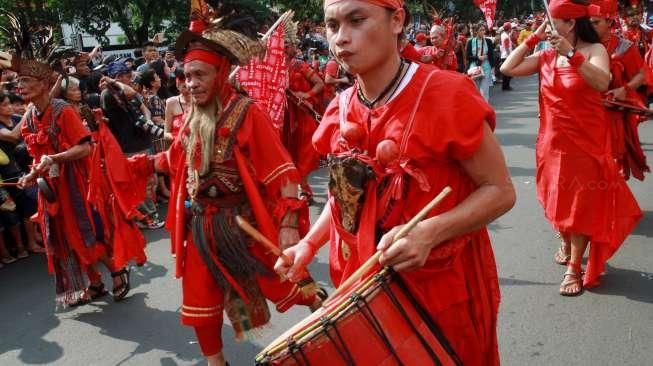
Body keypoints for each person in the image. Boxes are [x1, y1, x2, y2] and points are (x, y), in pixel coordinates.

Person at [276, 1, 516, 365]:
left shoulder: (447, 93)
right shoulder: (338, 108)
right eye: (332, 25)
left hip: (438, 290)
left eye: (356, 20)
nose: (341, 38)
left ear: (397, 20)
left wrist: (430, 232)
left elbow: (500, 191)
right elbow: (344, 199)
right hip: (360, 292)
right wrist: (308, 245)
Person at [153, 8, 325, 365]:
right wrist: (127, 163)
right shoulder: (189, 119)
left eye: (200, 75)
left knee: (288, 282)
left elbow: (284, 173)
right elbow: (171, 162)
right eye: (186, 77)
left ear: (222, 74)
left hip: (244, 225)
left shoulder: (247, 113)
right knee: (200, 304)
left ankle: (329, 315)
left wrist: (290, 226)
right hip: (202, 227)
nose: (191, 84)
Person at [500, 0, 642, 296]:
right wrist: (535, 37)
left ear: (570, 23)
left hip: (586, 144)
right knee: (555, 201)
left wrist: (571, 54)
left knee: (580, 205)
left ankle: (575, 266)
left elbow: (601, 82)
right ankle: (564, 238)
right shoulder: (545, 55)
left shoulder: (595, 51)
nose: (549, 26)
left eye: (552, 22)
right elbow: (507, 67)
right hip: (551, 143)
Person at [12, 47, 131, 306]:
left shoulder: (63, 110)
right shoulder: (30, 115)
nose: (19, 86)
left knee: (83, 234)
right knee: (61, 240)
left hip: (74, 185)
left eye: (26, 81)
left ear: (43, 84)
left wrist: (54, 159)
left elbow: (84, 147)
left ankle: (117, 270)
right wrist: (30, 175)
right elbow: (36, 155)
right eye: (18, 81)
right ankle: (95, 283)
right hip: (50, 189)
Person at [591, 0, 650, 180]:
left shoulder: (623, 47)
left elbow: (642, 75)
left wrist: (625, 88)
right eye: (587, 22)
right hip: (587, 112)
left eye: (596, 22)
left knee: (613, 162)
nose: (590, 27)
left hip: (612, 112)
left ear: (609, 22)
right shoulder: (580, 46)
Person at [284, 23, 325, 202]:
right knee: (286, 153)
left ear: (294, 46)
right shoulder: (272, 69)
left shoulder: (300, 65)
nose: (285, 47)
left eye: (288, 43)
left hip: (302, 115)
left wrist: (306, 94)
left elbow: (320, 84)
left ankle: (303, 187)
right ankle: (291, 190)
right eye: (282, 43)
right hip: (283, 117)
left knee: (305, 153)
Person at [466, 22, 495, 101]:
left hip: (486, 67)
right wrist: (478, 57)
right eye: (481, 30)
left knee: (484, 91)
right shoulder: (470, 42)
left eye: (484, 30)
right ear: (476, 31)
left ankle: (485, 109)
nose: (483, 32)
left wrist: (493, 67)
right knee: (476, 90)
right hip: (474, 69)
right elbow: (468, 57)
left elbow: (491, 55)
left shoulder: (488, 41)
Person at [164, 68, 190, 140]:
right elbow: (166, 133)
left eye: (187, 79)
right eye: (181, 80)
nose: (184, 83)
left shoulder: (201, 100)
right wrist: (179, 139)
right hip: (178, 147)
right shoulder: (171, 102)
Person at [499, 22, 514, 90]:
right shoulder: (506, 37)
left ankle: (505, 86)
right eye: (511, 28)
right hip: (506, 56)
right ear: (509, 29)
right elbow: (507, 47)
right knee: (508, 72)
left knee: (505, 73)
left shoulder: (503, 34)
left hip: (504, 55)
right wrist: (510, 55)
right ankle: (506, 86)